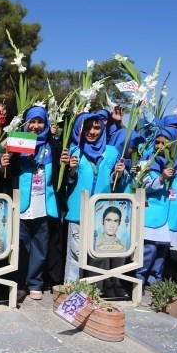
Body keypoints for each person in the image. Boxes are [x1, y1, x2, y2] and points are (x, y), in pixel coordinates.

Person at [6, 105, 62, 302]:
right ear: (26, 123)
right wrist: (5, 162)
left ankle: (35, 282)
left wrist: (65, 162)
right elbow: (4, 171)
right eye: (32, 122)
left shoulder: (53, 145)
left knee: (40, 245)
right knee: (20, 246)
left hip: (43, 204)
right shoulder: (17, 143)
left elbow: (60, 173)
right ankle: (20, 283)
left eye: (40, 122)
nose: (36, 126)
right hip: (21, 204)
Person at [61, 112, 125, 285]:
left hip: (102, 212)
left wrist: (119, 173)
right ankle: (72, 290)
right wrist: (70, 169)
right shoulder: (74, 150)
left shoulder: (111, 152)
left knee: (98, 252)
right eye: (87, 127)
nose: (92, 131)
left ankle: (95, 290)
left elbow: (116, 182)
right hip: (78, 210)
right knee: (77, 252)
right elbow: (65, 182)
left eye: (97, 128)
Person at [136, 126, 177, 288]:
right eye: (157, 142)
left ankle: (155, 282)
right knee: (149, 251)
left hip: (171, 218)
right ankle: (138, 280)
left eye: (164, 143)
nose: (159, 146)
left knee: (162, 254)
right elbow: (141, 186)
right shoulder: (147, 163)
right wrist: (161, 178)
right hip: (153, 216)